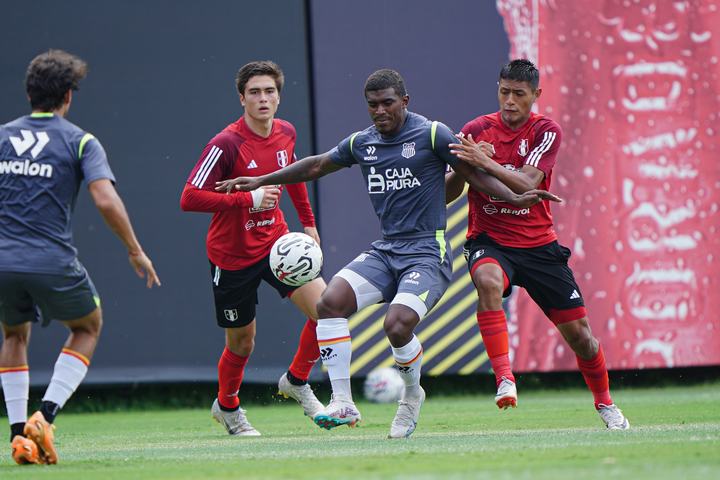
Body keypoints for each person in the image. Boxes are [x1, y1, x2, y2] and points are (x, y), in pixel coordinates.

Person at [216, 68, 559, 438]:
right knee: (329, 303)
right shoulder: (362, 142)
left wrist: (514, 198)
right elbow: (316, 164)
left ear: (405, 101)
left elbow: (472, 176)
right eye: (373, 105)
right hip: (387, 250)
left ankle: (411, 395)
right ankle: (343, 402)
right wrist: (262, 179)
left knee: (396, 325)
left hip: (427, 252)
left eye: (387, 103)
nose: (380, 111)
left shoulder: (432, 133)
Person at [446, 58, 629, 430]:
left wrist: (485, 162)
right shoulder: (476, 130)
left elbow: (528, 183)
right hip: (490, 241)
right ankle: (504, 378)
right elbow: (449, 193)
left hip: (540, 247)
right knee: (488, 282)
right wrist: (463, 168)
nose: (509, 101)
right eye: (504, 92)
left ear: (536, 94)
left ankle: (605, 403)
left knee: (582, 339)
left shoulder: (546, 130)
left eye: (519, 94)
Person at [0, 49, 161, 465]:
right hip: (51, 260)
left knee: (13, 335)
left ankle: (18, 436)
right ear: (68, 96)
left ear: (30, 93)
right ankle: (45, 416)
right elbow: (105, 199)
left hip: (3, 263)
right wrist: (135, 250)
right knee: (88, 325)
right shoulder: (80, 140)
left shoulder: (2, 137)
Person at [180, 61, 327, 437]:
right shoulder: (226, 143)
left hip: (277, 245)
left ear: (279, 97)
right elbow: (189, 197)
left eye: (269, 91)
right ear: (241, 98)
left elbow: (293, 174)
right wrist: (249, 198)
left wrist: (308, 222)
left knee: (327, 310)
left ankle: (296, 381)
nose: (263, 98)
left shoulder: (286, 132)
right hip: (231, 257)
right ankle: (227, 406)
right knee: (242, 343)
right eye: (254, 92)